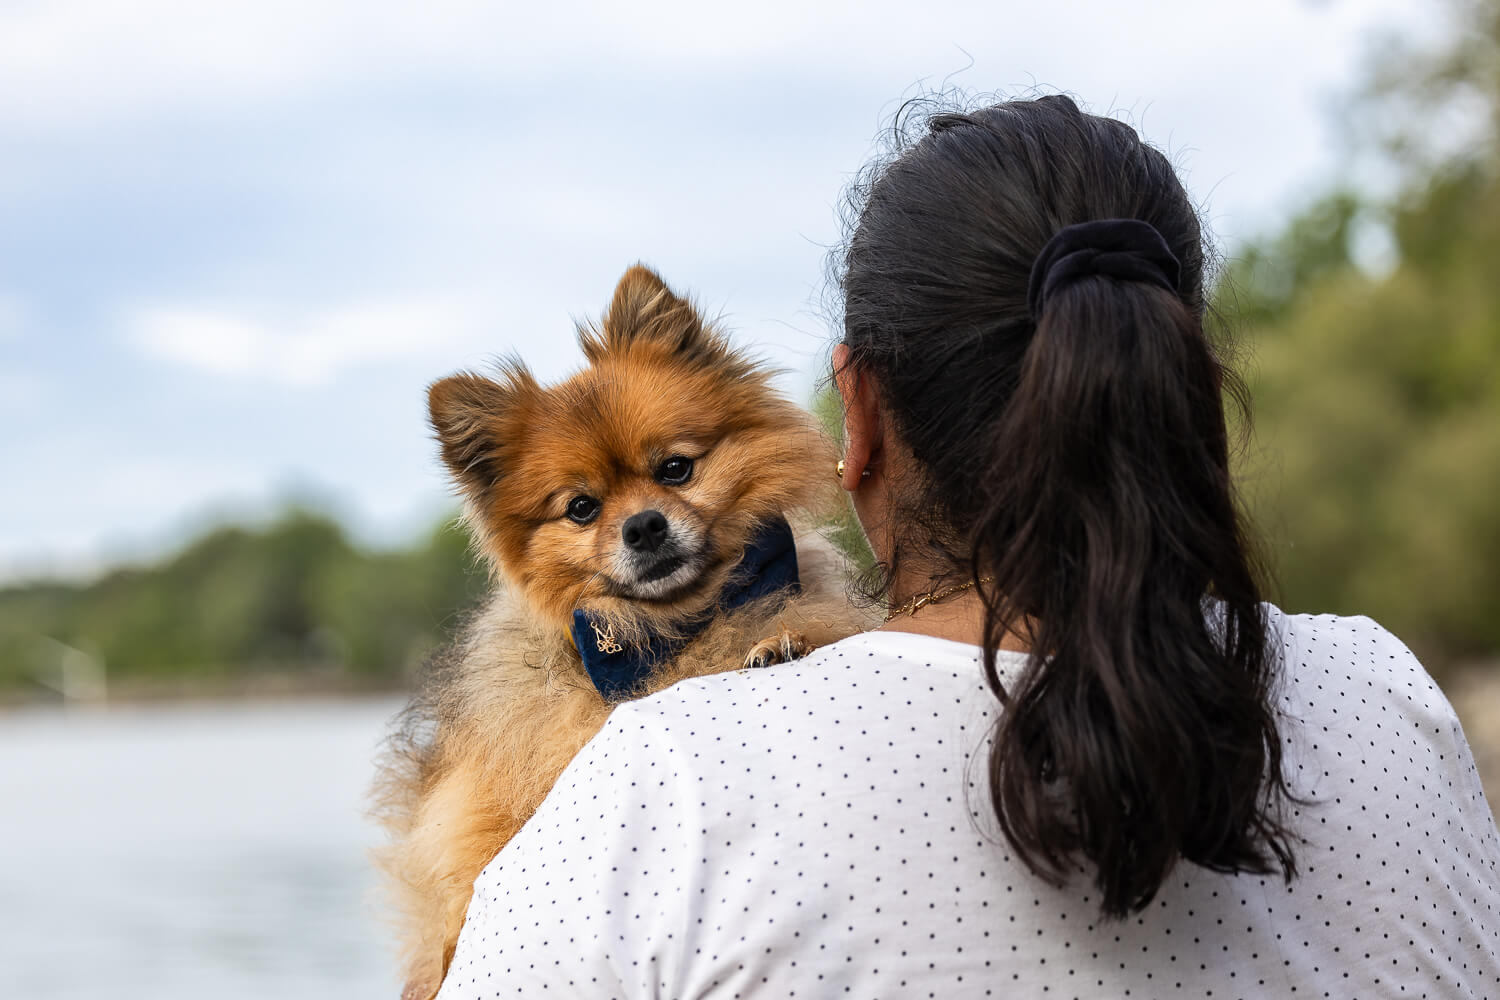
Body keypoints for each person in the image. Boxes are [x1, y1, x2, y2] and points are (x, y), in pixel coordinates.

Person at [434, 94, 1500, 998]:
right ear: (1181, 383)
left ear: (859, 415)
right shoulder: (1384, 698)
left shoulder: (672, 787)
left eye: (671, 467)